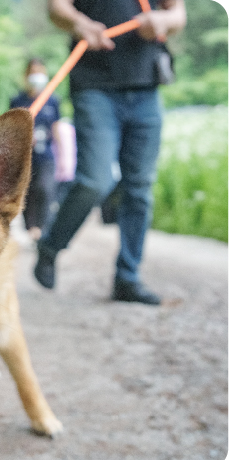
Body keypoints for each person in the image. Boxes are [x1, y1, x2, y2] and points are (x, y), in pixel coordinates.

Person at [34, 0, 186, 305]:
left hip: (146, 87)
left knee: (139, 188)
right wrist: (79, 23)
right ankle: (50, 247)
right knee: (94, 180)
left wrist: (162, 20)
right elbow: (56, 7)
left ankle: (127, 278)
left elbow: (178, 13)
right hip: (94, 87)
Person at [10, 58, 63, 241]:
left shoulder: (52, 101)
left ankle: (42, 227)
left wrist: (62, 154)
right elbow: (10, 129)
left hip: (46, 154)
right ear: (26, 75)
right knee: (28, 192)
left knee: (46, 188)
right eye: (33, 72)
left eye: (40, 72)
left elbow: (56, 128)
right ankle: (31, 227)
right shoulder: (18, 101)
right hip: (25, 157)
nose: (37, 76)